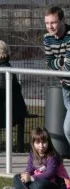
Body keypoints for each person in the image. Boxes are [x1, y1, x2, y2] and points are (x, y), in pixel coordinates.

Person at [2, 127, 67, 189]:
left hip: (54, 184)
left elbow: (50, 173)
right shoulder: (32, 154)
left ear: (48, 142)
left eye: (44, 142)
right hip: (36, 180)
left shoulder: (52, 156)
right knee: (17, 177)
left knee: (39, 185)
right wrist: (26, 174)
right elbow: (30, 167)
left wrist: (31, 178)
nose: (41, 146)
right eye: (38, 142)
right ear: (33, 143)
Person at [43, 6, 70, 146]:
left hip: (65, 81)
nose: (50, 26)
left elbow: (69, 67)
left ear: (62, 21)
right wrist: (62, 61)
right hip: (66, 86)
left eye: (53, 22)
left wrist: (60, 66)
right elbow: (49, 63)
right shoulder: (47, 38)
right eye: (47, 23)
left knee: (68, 128)